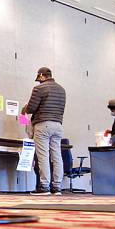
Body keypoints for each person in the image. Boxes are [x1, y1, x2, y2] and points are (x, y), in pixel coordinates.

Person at [23, 67, 66, 195]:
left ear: (41, 76)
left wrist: (25, 108)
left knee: (43, 157)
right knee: (57, 157)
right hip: (58, 125)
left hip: (43, 125)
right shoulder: (61, 89)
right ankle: (57, 187)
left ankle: (44, 187)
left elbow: (30, 108)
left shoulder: (39, 89)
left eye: (39, 78)